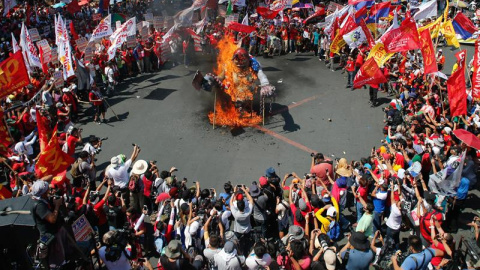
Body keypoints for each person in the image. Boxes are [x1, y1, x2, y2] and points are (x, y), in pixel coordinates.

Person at [30, 180, 84, 267]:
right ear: (43, 193)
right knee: (59, 261)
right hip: (51, 236)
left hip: (58, 230)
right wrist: (57, 205)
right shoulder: (39, 205)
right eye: (47, 190)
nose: (49, 191)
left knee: (70, 252)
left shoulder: (44, 199)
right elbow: (52, 219)